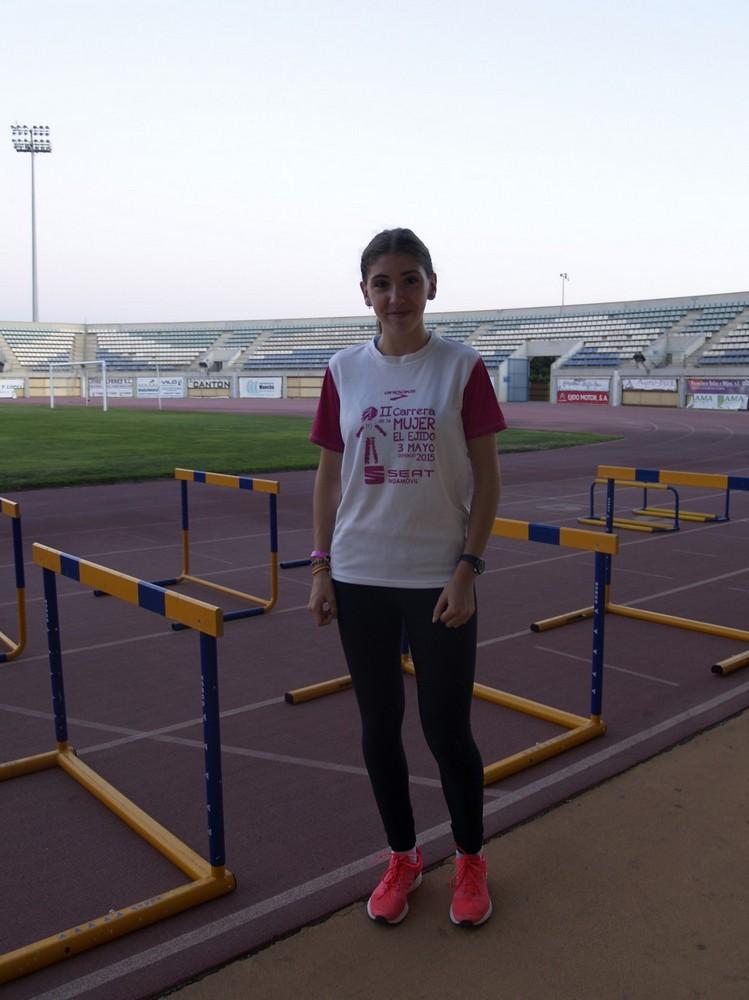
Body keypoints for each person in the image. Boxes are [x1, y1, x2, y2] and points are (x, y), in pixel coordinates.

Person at [307, 228, 506, 927]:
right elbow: (328, 476)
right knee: (378, 726)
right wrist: (321, 566)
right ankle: (401, 856)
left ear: (431, 286)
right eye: (382, 282)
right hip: (359, 571)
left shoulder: (460, 367)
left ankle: (470, 858)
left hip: (436, 577)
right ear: (364, 292)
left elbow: (486, 479)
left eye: (409, 280)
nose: (396, 295)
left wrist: (467, 567)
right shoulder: (342, 369)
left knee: (446, 728)